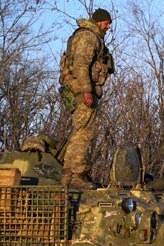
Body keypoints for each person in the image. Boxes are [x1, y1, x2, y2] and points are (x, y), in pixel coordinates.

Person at [59, 8, 114, 189]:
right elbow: (82, 65)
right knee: (83, 133)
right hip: (83, 92)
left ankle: (73, 173)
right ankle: (75, 174)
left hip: (81, 90)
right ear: (100, 21)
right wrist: (87, 91)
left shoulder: (90, 36)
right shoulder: (88, 37)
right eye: (107, 22)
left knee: (81, 131)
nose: (108, 26)